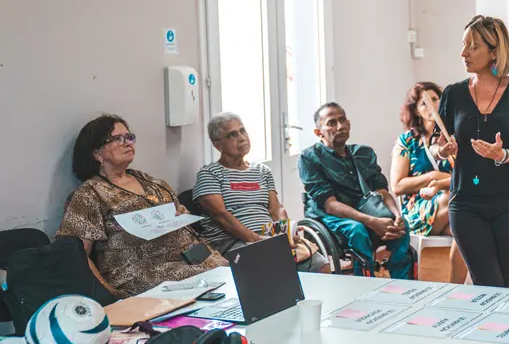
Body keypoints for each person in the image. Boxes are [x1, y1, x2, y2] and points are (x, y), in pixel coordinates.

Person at [57, 115, 226, 298]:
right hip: (145, 275)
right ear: (97, 153)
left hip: (193, 259)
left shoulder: (152, 182)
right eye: (117, 139)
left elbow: (176, 213)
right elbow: (75, 253)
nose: (127, 143)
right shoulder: (90, 195)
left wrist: (180, 214)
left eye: (129, 137)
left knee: (232, 271)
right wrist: (108, 293)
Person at [391, 81, 509, 285]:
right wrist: (432, 178)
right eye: (424, 103)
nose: (431, 106)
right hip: (418, 207)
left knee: (464, 222)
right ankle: (508, 268)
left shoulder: (455, 135)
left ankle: (457, 287)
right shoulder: (407, 141)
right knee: (458, 209)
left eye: (435, 99)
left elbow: (465, 176)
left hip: (451, 198)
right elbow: (398, 185)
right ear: (415, 110)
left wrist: (439, 181)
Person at [436, 16, 509, 288]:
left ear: (495, 51)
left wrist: (502, 154)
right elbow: (440, 143)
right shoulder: (453, 93)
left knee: (499, 284)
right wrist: (445, 149)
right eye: (463, 45)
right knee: (489, 284)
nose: (464, 53)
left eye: (473, 46)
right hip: (466, 203)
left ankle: (499, 330)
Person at [194, 112, 330, 273]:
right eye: (232, 135)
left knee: (321, 265)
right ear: (217, 145)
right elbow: (221, 216)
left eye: (243, 131)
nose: (242, 137)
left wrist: (285, 232)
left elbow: (276, 209)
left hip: (268, 236)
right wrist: (257, 240)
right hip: (233, 242)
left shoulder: (262, 171)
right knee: (278, 267)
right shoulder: (209, 174)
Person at [298, 103, 414, 279]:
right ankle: (365, 285)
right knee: (357, 230)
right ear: (318, 132)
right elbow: (330, 206)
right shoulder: (310, 158)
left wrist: (396, 214)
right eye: (332, 123)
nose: (340, 126)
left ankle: (404, 284)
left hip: (366, 210)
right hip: (330, 217)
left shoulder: (364, 153)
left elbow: (382, 191)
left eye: (343, 120)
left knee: (402, 225)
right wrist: (372, 222)